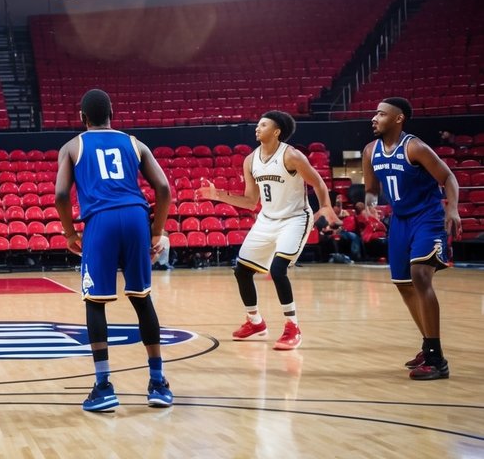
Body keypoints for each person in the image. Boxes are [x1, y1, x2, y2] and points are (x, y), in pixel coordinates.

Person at [55, 89, 173, 412]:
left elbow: (61, 194)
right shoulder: (135, 142)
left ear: (82, 118)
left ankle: (104, 386)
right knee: (142, 298)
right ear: (113, 113)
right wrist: (157, 232)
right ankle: (158, 383)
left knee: (95, 303)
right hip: (136, 217)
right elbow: (163, 188)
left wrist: (69, 233)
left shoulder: (72, 146)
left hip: (100, 221)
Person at [198, 111, 336, 351]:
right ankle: (255, 322)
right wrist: (218, 195)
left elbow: (318, 183)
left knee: (278, 268)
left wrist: (325, 207)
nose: (256, 128)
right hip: (266, 219)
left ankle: (292, 326)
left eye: (263, 125)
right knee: (241, 270)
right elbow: (251, 202)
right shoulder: (250, 160)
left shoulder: (292, 156)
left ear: (276, 131)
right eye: (257, 125)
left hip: (294, 219)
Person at [361, 97, 460, 380]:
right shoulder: (370, 151)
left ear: (398, 118)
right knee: (404, 286)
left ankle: (437, 360)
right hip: (400, 221)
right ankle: (428, 344)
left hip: (427, 218)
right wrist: (370, 203)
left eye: (381, 113)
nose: (374, 118)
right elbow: (371, 188)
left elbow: (448, 177)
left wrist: (451, 209)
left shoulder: (415, 147)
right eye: (375, 113)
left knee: (420, 275)